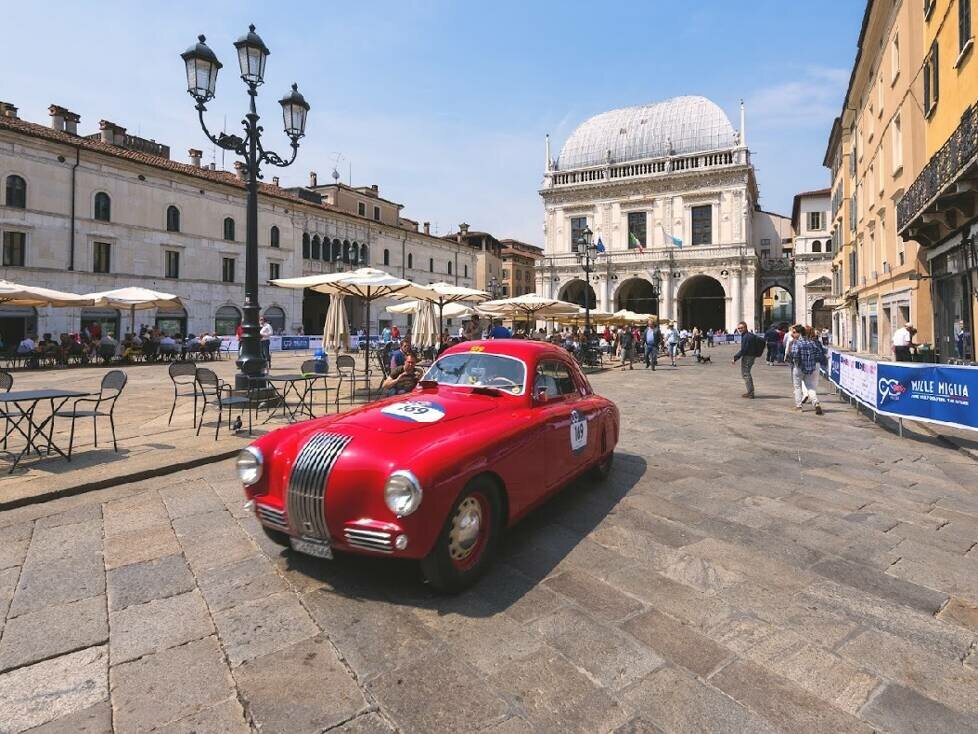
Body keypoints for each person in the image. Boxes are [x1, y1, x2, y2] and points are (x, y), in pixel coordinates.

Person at [787, 324, 826, 415]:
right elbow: (818, 353)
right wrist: (811, 362)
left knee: (797, 387)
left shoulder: (797, 343)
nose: (792, 334)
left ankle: (799, 406)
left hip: (799, 367)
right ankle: (816, 403)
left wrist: (793, 360)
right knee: (810, 386)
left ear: (799, 333)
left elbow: (795, 355)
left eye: (794, 332)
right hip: (810, 368)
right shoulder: (811, 342)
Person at [731, 321, 760, 398]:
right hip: (751, 356)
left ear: (745, 327)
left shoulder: (746, 336)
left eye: (741, 328)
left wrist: (735, 357)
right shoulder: (750, 335)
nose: (740, 329)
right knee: (746, 373)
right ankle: (750, 391)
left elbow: (744, 349)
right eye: (739, 328)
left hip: (748, 357)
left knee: (746, 374)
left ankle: (750, 392)